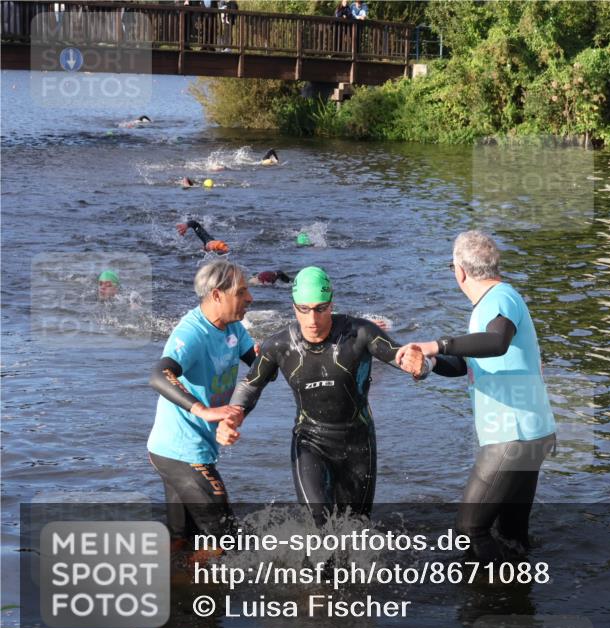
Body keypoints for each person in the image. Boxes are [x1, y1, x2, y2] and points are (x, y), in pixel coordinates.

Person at [217, 267, 429, 525]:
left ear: (332, 304)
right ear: (294, 307)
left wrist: (421, 365)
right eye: (303, 309)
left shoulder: (359, 333)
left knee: (356, 527)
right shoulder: (279, 345)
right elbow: (250, 385)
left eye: (320, 308)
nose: (312, 319)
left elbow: (400, 355)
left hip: (358, 443)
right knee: (318, 522)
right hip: (310, 441)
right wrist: (233, 416)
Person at [396, 230, 557, 563]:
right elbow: (467, 362)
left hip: (513, 437)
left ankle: (489, 601)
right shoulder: (495, 303)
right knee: (511, 536)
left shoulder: (501, 298)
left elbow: (495, 344)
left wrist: (436, 344)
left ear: (460, 271)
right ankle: (521, 603)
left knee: (470, 529)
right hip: (530, 433)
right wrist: (430, 363)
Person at [146, 260, 255, 552]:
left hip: (183, 449)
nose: (250, 298)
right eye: (241, 291)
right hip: (181, 451)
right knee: (230, 542)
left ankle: (178, 593)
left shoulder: (234, 327)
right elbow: (159, 375)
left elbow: (261, 365)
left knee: (182, 541)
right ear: (217, 294)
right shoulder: (191, 332)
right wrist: (204, 411)